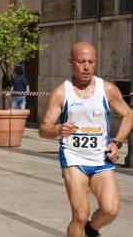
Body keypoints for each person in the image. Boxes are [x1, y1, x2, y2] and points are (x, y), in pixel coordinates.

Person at [38, 42, 133, 237]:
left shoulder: (106, 89)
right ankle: (81, 227)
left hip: (100, 159)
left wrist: (116, 142)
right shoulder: (61, 92)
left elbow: (128, 114)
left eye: (91, 62)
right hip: (74, 159)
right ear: (71, 62)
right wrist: (57, 128)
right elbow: (43, 129)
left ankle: (90, 231)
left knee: (110, 210)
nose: (87, 67)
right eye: (82, 62)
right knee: (80, 215)